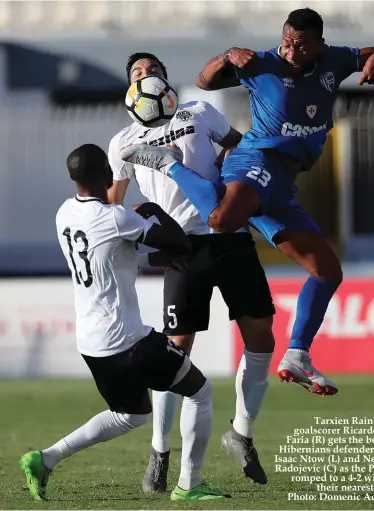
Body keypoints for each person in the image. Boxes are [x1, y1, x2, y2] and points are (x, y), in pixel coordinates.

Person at [120, 10, 374, 398]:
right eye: (285, 40)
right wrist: (225, 56)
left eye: (298, 44)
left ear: (317, 43)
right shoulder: (263, 62)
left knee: (326, 271)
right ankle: (170, 165)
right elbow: (204, 81)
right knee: (221, 219)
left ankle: (298, 354)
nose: (288, 49)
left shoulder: (335, 60)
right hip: (255, 160)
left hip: (282, 183)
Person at [19, 144, 230, 502]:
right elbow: (179, 244)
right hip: (128, 340)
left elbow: (120, 250)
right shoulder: (117, 218)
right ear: (105, 173)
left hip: (92, 344)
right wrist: (154, 211)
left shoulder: (64, 213)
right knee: (200, 392)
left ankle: (46, 459)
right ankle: (189, 486)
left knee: (130, 415)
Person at [108, 52, 275, 490]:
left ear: (165, 78)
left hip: (230, 236)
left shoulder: (199, 111)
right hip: (183, 248)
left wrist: (227, 172)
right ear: (131, 88)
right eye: (137, 74)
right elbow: (113, 201)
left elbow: (239, 146)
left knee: (261, 336)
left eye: (152, 70)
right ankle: (160, 454)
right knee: (175, 356)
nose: (146, 76)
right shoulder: (124, 141)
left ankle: (242, 432)